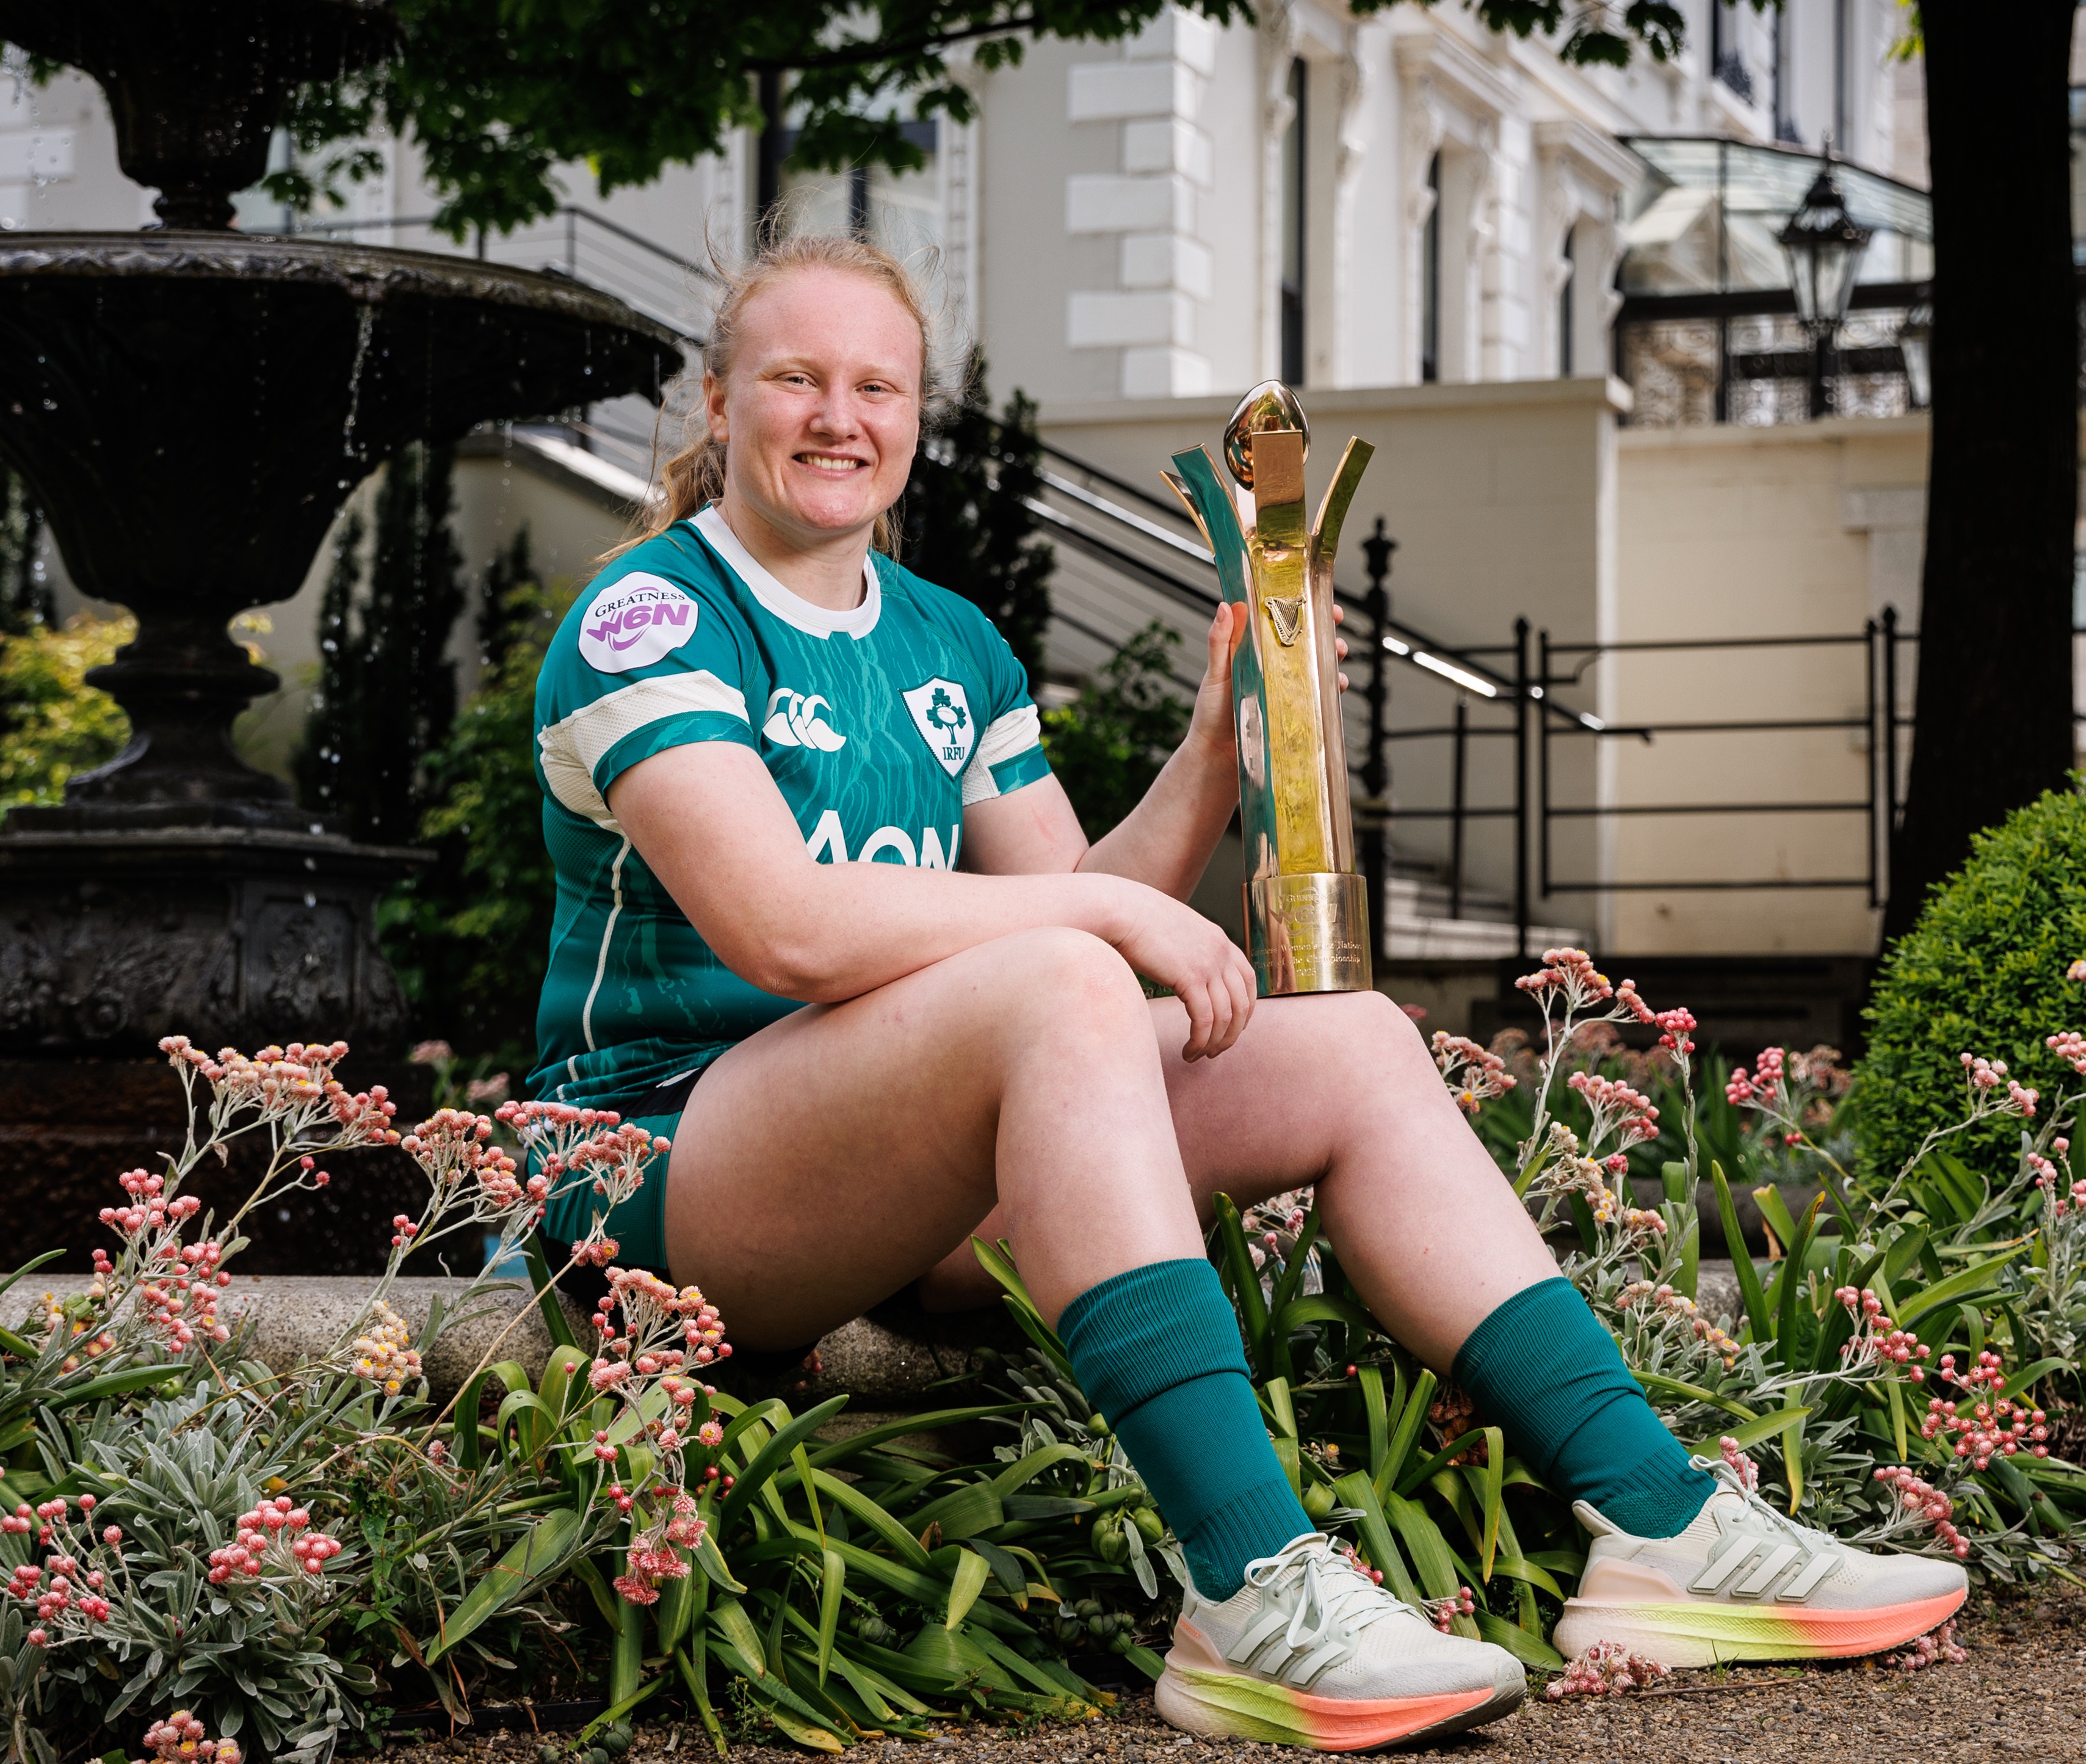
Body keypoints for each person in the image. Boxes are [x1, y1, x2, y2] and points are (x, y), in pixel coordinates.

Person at [522, 233, 1965, 1749]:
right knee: (1068, 977)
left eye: (875, 383)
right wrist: (1091, 919)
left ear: (917, 414)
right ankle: (1252, 1589)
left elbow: (1079, 894)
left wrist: (1221, 738)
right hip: (663, 1166)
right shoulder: (653, 613)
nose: (839, 415)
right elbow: (791, 930)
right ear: (718, 398)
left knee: (1348, 1044)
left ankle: (1664, 1525)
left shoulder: (951, 639)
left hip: (899, 1167)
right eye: (795, 378)